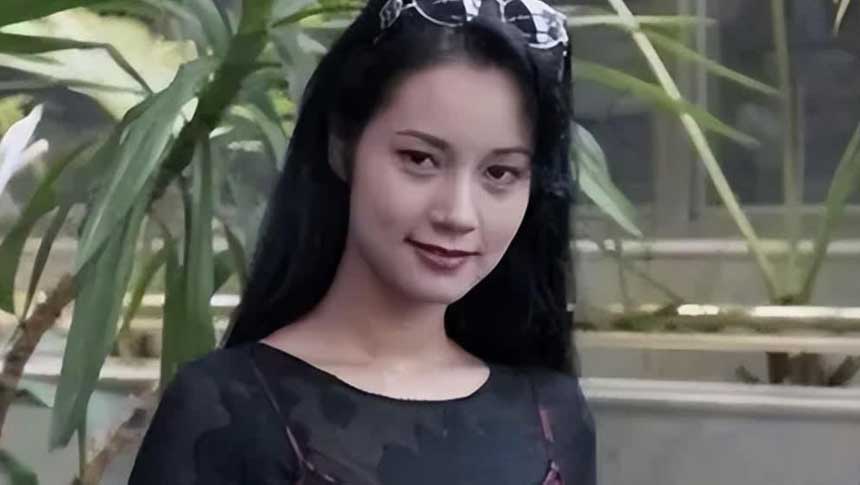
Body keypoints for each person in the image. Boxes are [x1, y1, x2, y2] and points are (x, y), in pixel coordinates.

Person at [128, 0, 596, 483]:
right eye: (420, 159)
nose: (458, 214)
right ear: (341, 146)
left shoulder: (554, 417)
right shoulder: (227, 408)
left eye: (500, 173)